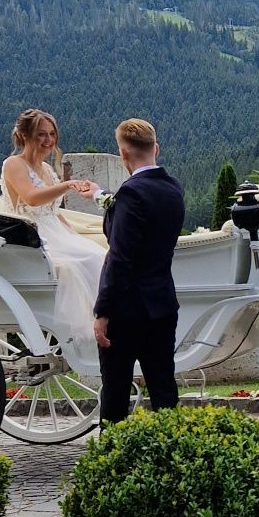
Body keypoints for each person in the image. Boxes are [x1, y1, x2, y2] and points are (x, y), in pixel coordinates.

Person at [93, 117, 185, 422]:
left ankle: (110, 464)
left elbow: (120, 258)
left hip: (128, 309)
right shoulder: (173, 189)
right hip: (162, 303)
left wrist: (102, 311)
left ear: (123, 154)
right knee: (164, 390)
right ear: (156, 148)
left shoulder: (130, 194)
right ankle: (171, 457)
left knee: (116, 392)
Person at [0, 110, 104, 368]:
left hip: (54, 229)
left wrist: (76, 235)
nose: (48, 140)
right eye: (41, 134)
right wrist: (68, 185)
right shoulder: (13, 164)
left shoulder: (46, 167)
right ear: (24, 136)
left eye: (52, 134)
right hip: (31, 233)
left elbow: (53, 212)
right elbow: (32, 198)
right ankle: (100, 324)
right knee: (89, 260)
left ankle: (111, 320)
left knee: (99, 253)